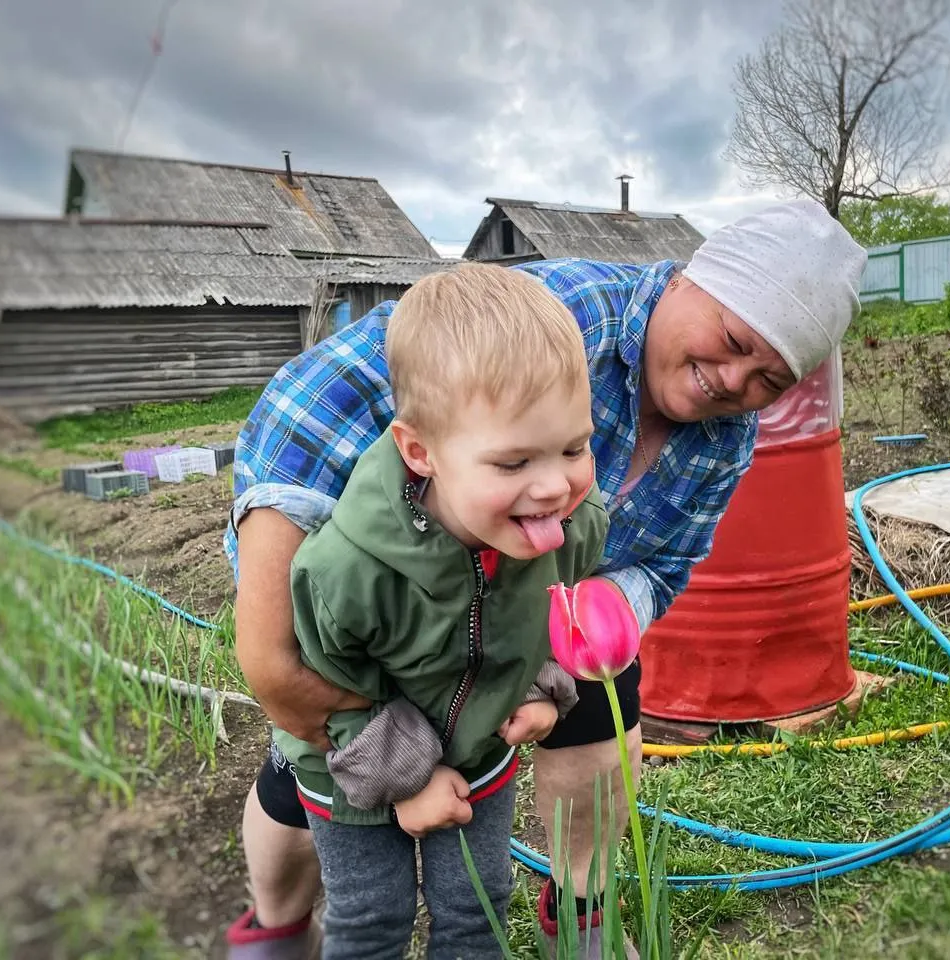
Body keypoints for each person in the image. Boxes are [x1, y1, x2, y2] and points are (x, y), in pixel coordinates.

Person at [223, 198, 867, 960]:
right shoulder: (559, 320)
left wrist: (574, 649)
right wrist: (271, 632)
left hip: (528, 619)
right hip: (401, 607)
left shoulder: (727, 440)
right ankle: (279, 926)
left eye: (769, 377)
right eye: (732, 341)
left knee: (605, 711)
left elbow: (663, 566)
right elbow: (316, 398)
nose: (732, 381)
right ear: (693, 280)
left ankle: (582, 913)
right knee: (316, 776)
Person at [248, 263, 610, 959]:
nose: (555, 486)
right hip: (351, 765)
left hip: (478, 748)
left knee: (477, 908)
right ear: (421, 452)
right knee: (372, 919)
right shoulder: (348, 568)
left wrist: (541, 689)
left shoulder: (575, 524)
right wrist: (406, 780)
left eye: (574, 447)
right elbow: (325, 686)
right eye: (513, 463)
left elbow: (541, 618)